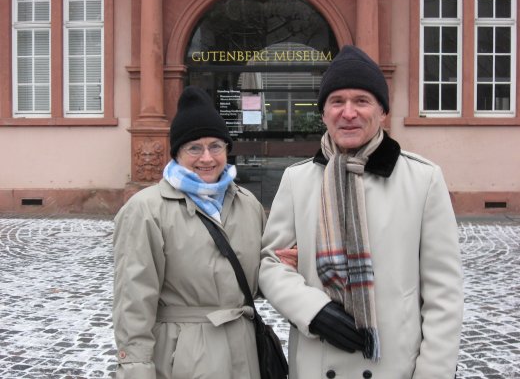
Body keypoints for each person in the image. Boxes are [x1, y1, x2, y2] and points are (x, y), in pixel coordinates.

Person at [259, 45, 464, 379]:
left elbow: (444, 294)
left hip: (394, 365)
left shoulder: (422, 180)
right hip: (316, 360)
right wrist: (313, 310)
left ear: (382, 111)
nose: (348, 112)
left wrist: (433, 373)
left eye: (362, 101)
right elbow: (270, 264)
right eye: (337, 101)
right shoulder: (298, 180)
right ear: (323, 112)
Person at [112, 86, 266, 379]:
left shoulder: (247, 204)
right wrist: (135, 369)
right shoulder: (146, 210)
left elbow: (261, 276)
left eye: (216, 146)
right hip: (182, 358)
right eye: (194, 147)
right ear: (177, 153)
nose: (207, 158)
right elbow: (133, 302)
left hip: (245, 355)